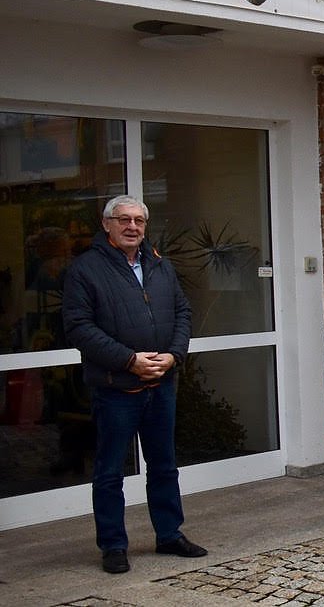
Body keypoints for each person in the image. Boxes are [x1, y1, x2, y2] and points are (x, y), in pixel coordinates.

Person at [62, 195, 207, 574]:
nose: (132, 227)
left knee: (164, 465)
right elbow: (79, 327)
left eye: (139, 221)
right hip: (116, 388)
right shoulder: (86, 269)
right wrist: (130, 361)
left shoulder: (160, 265)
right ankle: (113, 545)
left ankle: (169, 534)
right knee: (110, 471)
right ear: (106, 224)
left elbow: (182, 311)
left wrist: (173, 355)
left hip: (161, 384)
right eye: (123, 219)